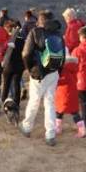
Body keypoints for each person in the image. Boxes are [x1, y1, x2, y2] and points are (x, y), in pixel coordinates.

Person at [20, 10, 64, 146]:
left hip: (38, 73)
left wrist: (29, 69)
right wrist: (58, 72)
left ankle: (27, 127)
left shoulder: (35, 32)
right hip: (53, 72)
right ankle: (50, 134)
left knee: (34, 100)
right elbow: (63, 55)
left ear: (40, 20)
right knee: (50, 103)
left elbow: (26, 53)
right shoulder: (58, 33)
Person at [55, 52, 85, 137]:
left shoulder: (64, 70)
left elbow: (61, 81)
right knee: (74, 112)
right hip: (73, 93)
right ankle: (82, 129)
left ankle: (58, 127)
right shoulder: (74, 68)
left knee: (59, 112)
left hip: (63, 94)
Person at [2, 19, 25, 115]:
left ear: (8, 28)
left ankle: (4, 103)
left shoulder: (8, 39)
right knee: (16, 85)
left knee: (6, 85)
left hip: (8, 65)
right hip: (19, 65)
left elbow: (4, 51)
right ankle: (17, 104)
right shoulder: (22, 39)